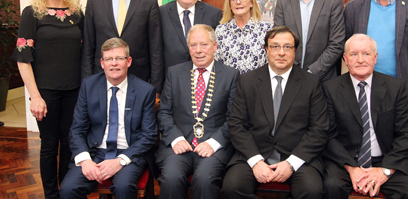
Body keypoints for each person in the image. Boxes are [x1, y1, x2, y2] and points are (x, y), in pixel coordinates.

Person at [222, 26, 329, 199]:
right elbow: (236, 125)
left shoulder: (311, 83)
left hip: (296, 156)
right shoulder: (247, 81)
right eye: (275, 46)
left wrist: (291, 163)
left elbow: (319, 129)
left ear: (295, 51)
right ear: (266, 49)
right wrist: (256, 161)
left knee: (312, 190)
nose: (281, 52)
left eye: (287, 47)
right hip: (255, 152)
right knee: (232, 186)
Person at [10, 0, 83, 199]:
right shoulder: (32, 13)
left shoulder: (77, 13)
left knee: (71, 144)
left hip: (75, 91)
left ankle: (67, 191)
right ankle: (51, 195)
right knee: (50, 146)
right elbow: (23, 59)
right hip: (46, 93)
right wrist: (35, 96)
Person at [322, 34, 408, 199]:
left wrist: (385, 170)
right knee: (331, 186)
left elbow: (406, 134)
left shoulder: (395, 87)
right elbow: (328, 136)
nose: (361, 59)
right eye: (354, 54)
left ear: (375, 58)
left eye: (366, 54)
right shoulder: (330, 89)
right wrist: (352, 168)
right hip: (345, 162)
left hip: (385, 160)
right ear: (345, 59)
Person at [60, 38, 158, 198]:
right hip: (94, 152)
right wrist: (85, 160)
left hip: (129, 152)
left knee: (124, 187)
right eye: (109, 59)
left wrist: (120, 160)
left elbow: (149, 135)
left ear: (129, 61)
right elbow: (77, 129)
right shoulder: (88, 85)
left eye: (119, 58)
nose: (114, 63)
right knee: (68, 189)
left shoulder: (144, 91)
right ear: (102, 63)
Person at [156, 24, 239, 199]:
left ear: (215, 46)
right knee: (171, 179)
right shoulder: (175, 73)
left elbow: (234, 118)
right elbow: (163, 112)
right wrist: (176, 139)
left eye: (204, 44)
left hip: (214, 147)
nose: (198, 50)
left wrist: (213, 143)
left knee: (204, 180)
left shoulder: (230, 75)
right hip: (179, 145)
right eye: (193, 45)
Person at [81, 0, 164, 94]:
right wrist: (87, 81)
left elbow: (156, 48)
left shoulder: (149, 1)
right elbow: (88, 45)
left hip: (139, 77)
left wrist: (156, 87)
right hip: (101, 78)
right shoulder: (95, 0)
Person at [274, 0, 345, 82]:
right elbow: (278, 41)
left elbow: (337, 43)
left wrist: (312, 71)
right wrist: (294, 70)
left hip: (323, 79)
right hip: (290, 77)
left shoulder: (333, 1)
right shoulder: (283, 3)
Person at [160, 0, 222, 74]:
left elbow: (218, 49)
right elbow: (156, 51)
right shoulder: (160, 13)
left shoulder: (214, 13)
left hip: (205, 77)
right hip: (172, 79)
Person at [215, 0, 273, 74]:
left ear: (251, 3)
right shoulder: (220, 31)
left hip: (258, 86)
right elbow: (216, 64)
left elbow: (272, 63)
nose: (238, 2)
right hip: (230, 87)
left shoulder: (266, 29)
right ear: (230, 5)